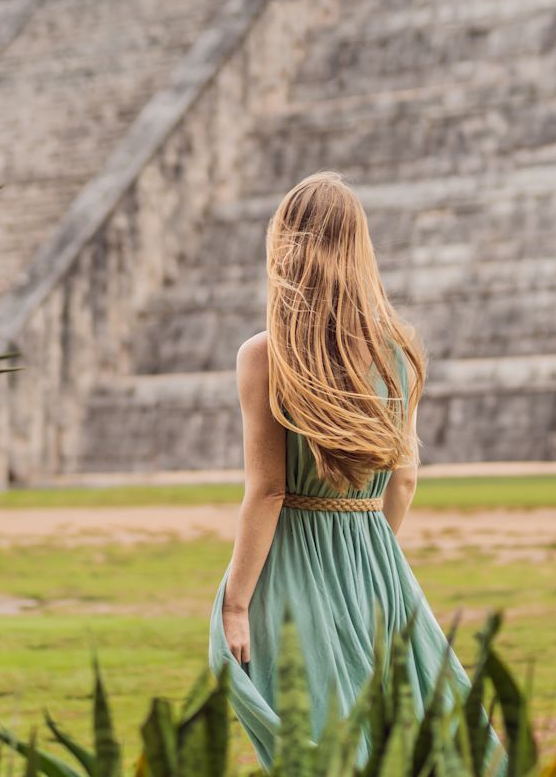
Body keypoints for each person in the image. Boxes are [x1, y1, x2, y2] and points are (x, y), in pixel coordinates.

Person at [207, 171, 476, 767]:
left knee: (316, 736)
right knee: (406, 729)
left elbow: (269, 492)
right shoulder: (399, 352)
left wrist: (233, 603)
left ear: (283, 243)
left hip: (291, 565)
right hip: (376, 559)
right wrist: (368, 547)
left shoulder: (264, 354)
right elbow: (404, 479)